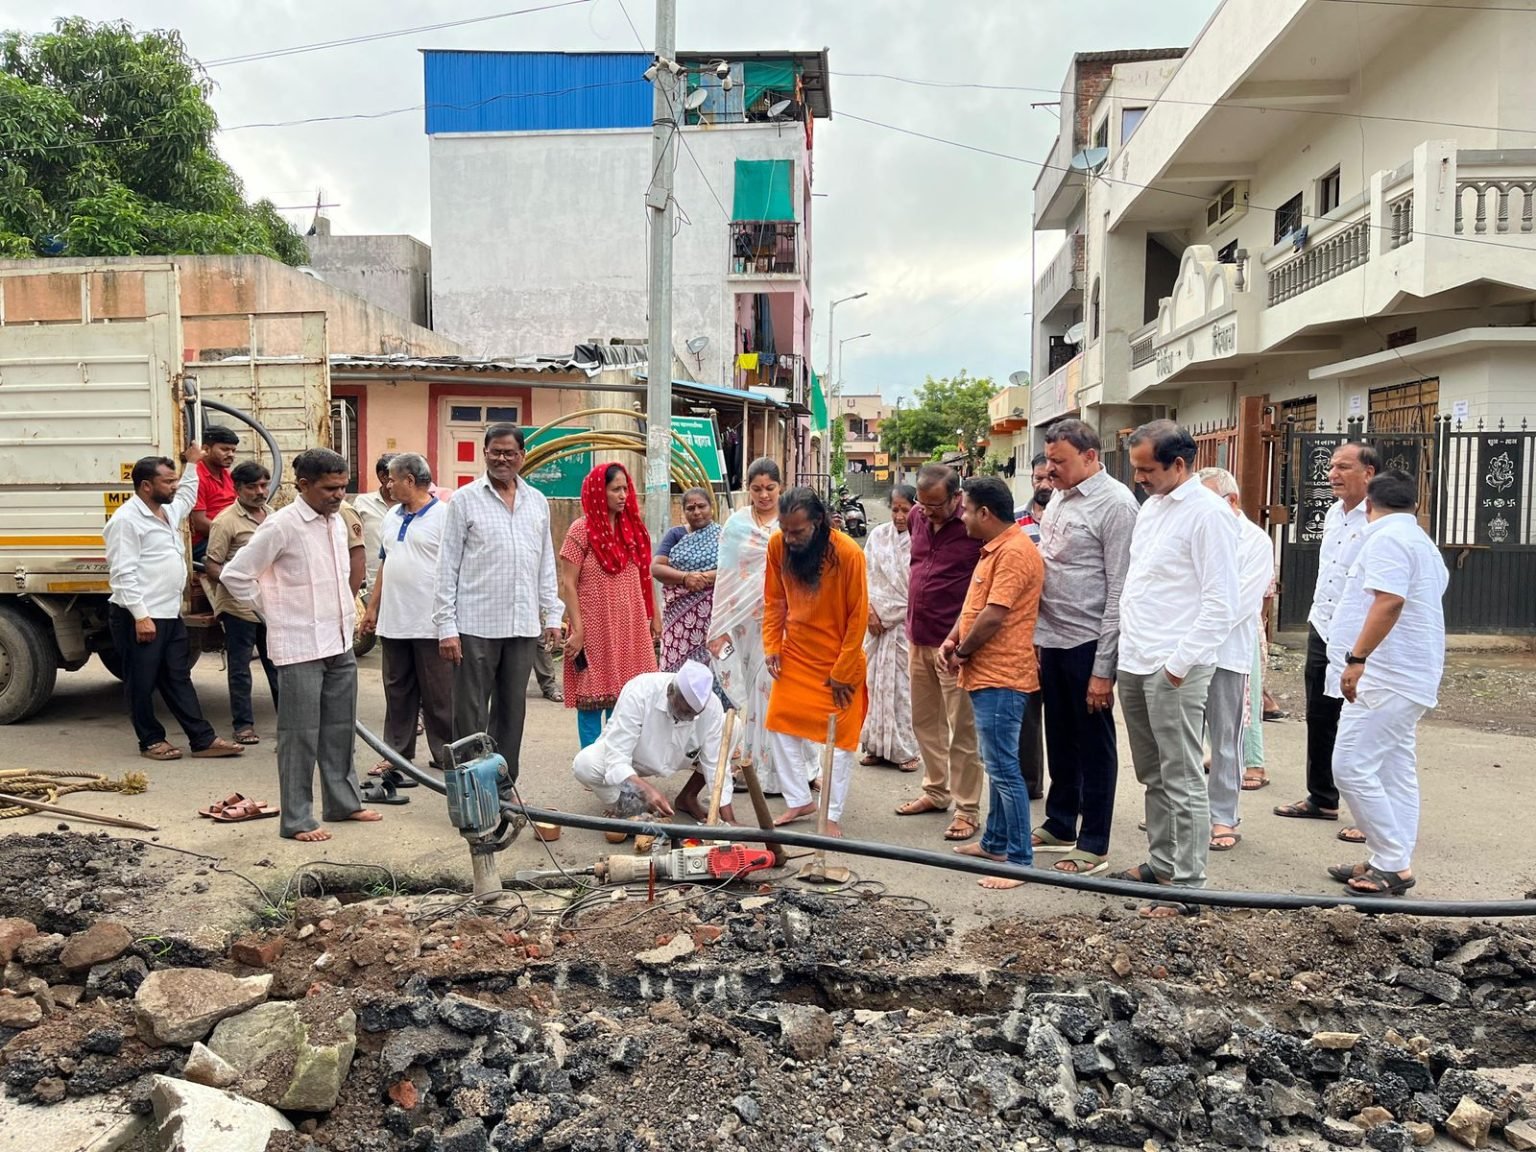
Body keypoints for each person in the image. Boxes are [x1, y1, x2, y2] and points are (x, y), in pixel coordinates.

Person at [220, 448, 380, 842]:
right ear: (303, 485)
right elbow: (235, 575)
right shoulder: (282, 525)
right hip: (300, 647)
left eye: (343, 487)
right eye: (330, 488)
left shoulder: (336, 521)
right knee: (300, 735)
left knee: (340, 730)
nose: (338, 495)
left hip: (339, 642)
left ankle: (343, 803)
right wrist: (272, 611)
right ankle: (297, 819)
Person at [1116, 420, 1239, 916]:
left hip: (1175, 665)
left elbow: (1222, 602)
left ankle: (1188, 886)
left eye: (1147, 469)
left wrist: (1178, 665)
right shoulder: (1152, 508)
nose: (1139, 477)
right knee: (1153, 773)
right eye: (1136, 468)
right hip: (1136, 658)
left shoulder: (1208, 515)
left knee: (1183, 775)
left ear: (1180, 464)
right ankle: (1162, 864)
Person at [1325, 469, 1446, 896]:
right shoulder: (1420, 541)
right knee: (1395, 770)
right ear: (1414, 504)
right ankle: (1387, 857)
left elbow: (1389, 600)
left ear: (1369, 504)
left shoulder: (1387, 539)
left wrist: (1357, 659)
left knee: (1350, 766)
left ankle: (1393, 862)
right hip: (1408, 672)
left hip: (1388, 674)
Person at [1032, 419, 1139, 877]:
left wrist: (1103, 668)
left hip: (1089, 641)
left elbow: (1119, 589)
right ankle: (1060, 822)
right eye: (1048, 460)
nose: (1050, 470)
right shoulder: (1059, 496)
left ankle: (1094, 842)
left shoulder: (1116, 505)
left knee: (1094, 744)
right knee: (1059, 736)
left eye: (1059, 461)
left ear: (1090, 457)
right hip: (1052, 638)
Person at [434, 424, 563, 786]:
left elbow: (545, 563)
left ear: (522, 456)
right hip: (475, 625)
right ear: (485, 453)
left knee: (511, 714)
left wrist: (553, 614)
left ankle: (503, 789)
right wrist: (446, 627)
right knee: (470, 715)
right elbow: (447, 566)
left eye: (509, 453)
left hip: (522, 627)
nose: (502, 459)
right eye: (495, 452)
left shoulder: (536, 501)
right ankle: (470, 793)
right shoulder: (464, 500)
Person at [103, 444, 245, 762]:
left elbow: (187, 497)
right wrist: (140, 616)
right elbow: (122, 574)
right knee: (141, 681)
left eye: (174, 479)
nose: (174, 486)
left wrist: (192, 465)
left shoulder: (166, 511)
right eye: (168, 481)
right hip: (140, 615)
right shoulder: (126, 521)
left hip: (168, 613)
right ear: (146, 485)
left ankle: (202, 739)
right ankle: (151, 740)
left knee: (177, 677)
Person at [939, 477, 1044, 890]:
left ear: (984, 512)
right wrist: (952, 639)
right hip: (987, 674)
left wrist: (962, 652)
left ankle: (1019, 861)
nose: (962, 517)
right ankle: (995, 843)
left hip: (1003, 676)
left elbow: (994, 615)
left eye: (966, 509)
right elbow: (973, 606)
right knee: (996, 762)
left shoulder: (1014, 552)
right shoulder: (993, 549)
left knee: (1004, 769)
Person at [1274, 442, 1381, 845]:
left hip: (1361, 631)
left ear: (1369, 473)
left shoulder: (1379, 517)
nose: (1332, 474)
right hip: (1324, 623)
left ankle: (1371, 815)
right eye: (1332, 466)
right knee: (1320, 713)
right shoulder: (1334, 514)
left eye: (1343, 467)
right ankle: (1322, 797)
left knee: (1363, 720)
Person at [763, 487, 869, 837]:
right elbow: (774, 600)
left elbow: (858, 616)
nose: (789, 538)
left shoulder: (848, 553)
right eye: (784, 529)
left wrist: (843, 670)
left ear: (819, 522)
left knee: (840, 743)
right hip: (796, 654)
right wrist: (772, 645)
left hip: (841, 660)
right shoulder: (777, 546)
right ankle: (799, 799)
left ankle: (831, 813)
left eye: (798, 531)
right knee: (778, 723)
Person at [896, 464, 985, 843]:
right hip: (917, 635)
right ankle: (935, 790)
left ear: (956, 497)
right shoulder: (917, 517)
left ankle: (967, 809)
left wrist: (964, 641)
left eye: (936, 505)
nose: (927, 511)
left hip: (954, 644)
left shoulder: (972, 526)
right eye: (922, 503)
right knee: (924, 722)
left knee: (961, 729)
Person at [1196, 468, 1274, 854]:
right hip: (1185, 651)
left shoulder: (1254, 541)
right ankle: (1182, 811)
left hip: (1226, 653)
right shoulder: (1197, 531)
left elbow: (1240, 603)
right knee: (1181, 739)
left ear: (1232, 501)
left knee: (1225, 740)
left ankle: (1223, 817)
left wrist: (1197, 628)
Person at [360, 453, 452, 775]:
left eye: (392, 479)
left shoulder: (445, 516)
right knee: (397, 692)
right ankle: (396, 755)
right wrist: (372, 609)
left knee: (439, 694)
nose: (388, 485)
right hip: (394, 622)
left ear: (409, 481)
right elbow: (386, 562)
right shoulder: (391, 516)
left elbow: (456, 569)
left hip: (431, 622)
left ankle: (446, 754)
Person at [559, 462, 661, 746]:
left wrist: (655, 615)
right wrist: (577, 630)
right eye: (616, 489)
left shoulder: (633, 530)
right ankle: (591, 762)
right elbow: (568, 583)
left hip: (630, 627)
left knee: (627, 699)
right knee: (591, 700)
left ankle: (618, 759)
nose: (623, 495)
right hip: (593, 627)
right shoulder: (581, 531)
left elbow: (645, 575)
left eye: (625, 489)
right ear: (598, 491)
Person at [708, 458, 791, 793]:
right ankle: (751, 765)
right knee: (752, 695)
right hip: (743, 623)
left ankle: (787, 771)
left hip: (782, 621)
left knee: (777, 690)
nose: (764, 495)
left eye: (770, 488)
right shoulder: (736, 524)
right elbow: (726, 575)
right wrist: (720, 623)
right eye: (757, 489)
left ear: (781, 487)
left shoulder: (791, 520)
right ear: (748, 489)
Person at [570, 660, 730, 825]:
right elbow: (617, 758)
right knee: (585, 764)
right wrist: (645, 790)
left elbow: (716, 763)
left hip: (680, 756)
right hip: (635, 759)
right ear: (670, 692)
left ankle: (688, 797)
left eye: (693, 714)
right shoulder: (640, 691)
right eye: (684, 711)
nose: (687, 718)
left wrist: (728, 819)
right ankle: (629, 806)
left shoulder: (711, 706)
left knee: (732, 726)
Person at [204, 461, 279, 746]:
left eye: (264, 485)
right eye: (252, 487)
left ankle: (289, 722)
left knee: (277, 665)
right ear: (237, 488)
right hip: (238, 607)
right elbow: (212, 565)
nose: (260, 492)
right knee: (240, 668)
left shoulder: (273, 516)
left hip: (270, 605)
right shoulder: (225, 521)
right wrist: (240, 583)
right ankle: (243, 726)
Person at [860, 485, 919, 772]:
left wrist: (894, 614)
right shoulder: (877, 537)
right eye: (895, 509)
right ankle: (875, 745)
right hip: (875, 625)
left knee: (904, 691)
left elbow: (920, 588)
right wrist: (870, 611)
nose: (899, 516)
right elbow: (864, 578)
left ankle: (906, 750)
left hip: (906, 626)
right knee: (874, 685)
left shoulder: (923, 540)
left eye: (905, 510)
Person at [651, 487, 722, 673]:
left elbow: (734, 569)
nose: (696, 512)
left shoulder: (723, 535)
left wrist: (706, 577)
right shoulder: (675, 535)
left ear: (711, 507)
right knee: (676, 673)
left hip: (713, 618)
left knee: (713, 669)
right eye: (690, 508)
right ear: (684, 512)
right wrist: (685, 577)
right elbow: (657, 568)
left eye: (701, 506)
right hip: (679, 621)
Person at [188, 425, 241, 559]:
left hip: (228, 533)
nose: (231, 454)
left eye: (233, 450)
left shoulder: (226, 474)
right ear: (206, 449)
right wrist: (236, 535)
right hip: (204, 542)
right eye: (225, 449)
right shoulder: (197, 477)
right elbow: (199, 523)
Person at [351, 452, 398, 598]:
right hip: (372, 586)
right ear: (383, 477)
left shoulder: (411, 506)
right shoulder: (362, 503)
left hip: (405, 590)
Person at [1015, 454, 1052, 543]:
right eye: (1039, 478)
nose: (1044, 485)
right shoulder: (1015, 519)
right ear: (1031, 479)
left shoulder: (1068, 520)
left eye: (1050, 479)